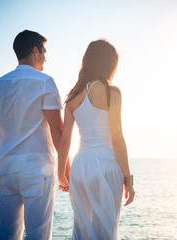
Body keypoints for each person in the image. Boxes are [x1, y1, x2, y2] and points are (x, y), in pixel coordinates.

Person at [0, 30, 66, 240]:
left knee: (5, 234)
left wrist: (6, 159)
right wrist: (65, 170)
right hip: (37, 170)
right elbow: (58, 131)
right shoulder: (45, 82)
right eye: (44, 52)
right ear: (35, 50)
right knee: (38, 235)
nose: (46, 59)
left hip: (6, 171)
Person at [57, 39, 135, 239]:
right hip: (106, 166)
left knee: (83, 230)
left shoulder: (72, 97)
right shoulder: (112, 92)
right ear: (110, 64)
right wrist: (128, 179)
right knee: (106, 232)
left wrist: (61, 175)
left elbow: (64, 141)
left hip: (81, 167)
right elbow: (117, 139)